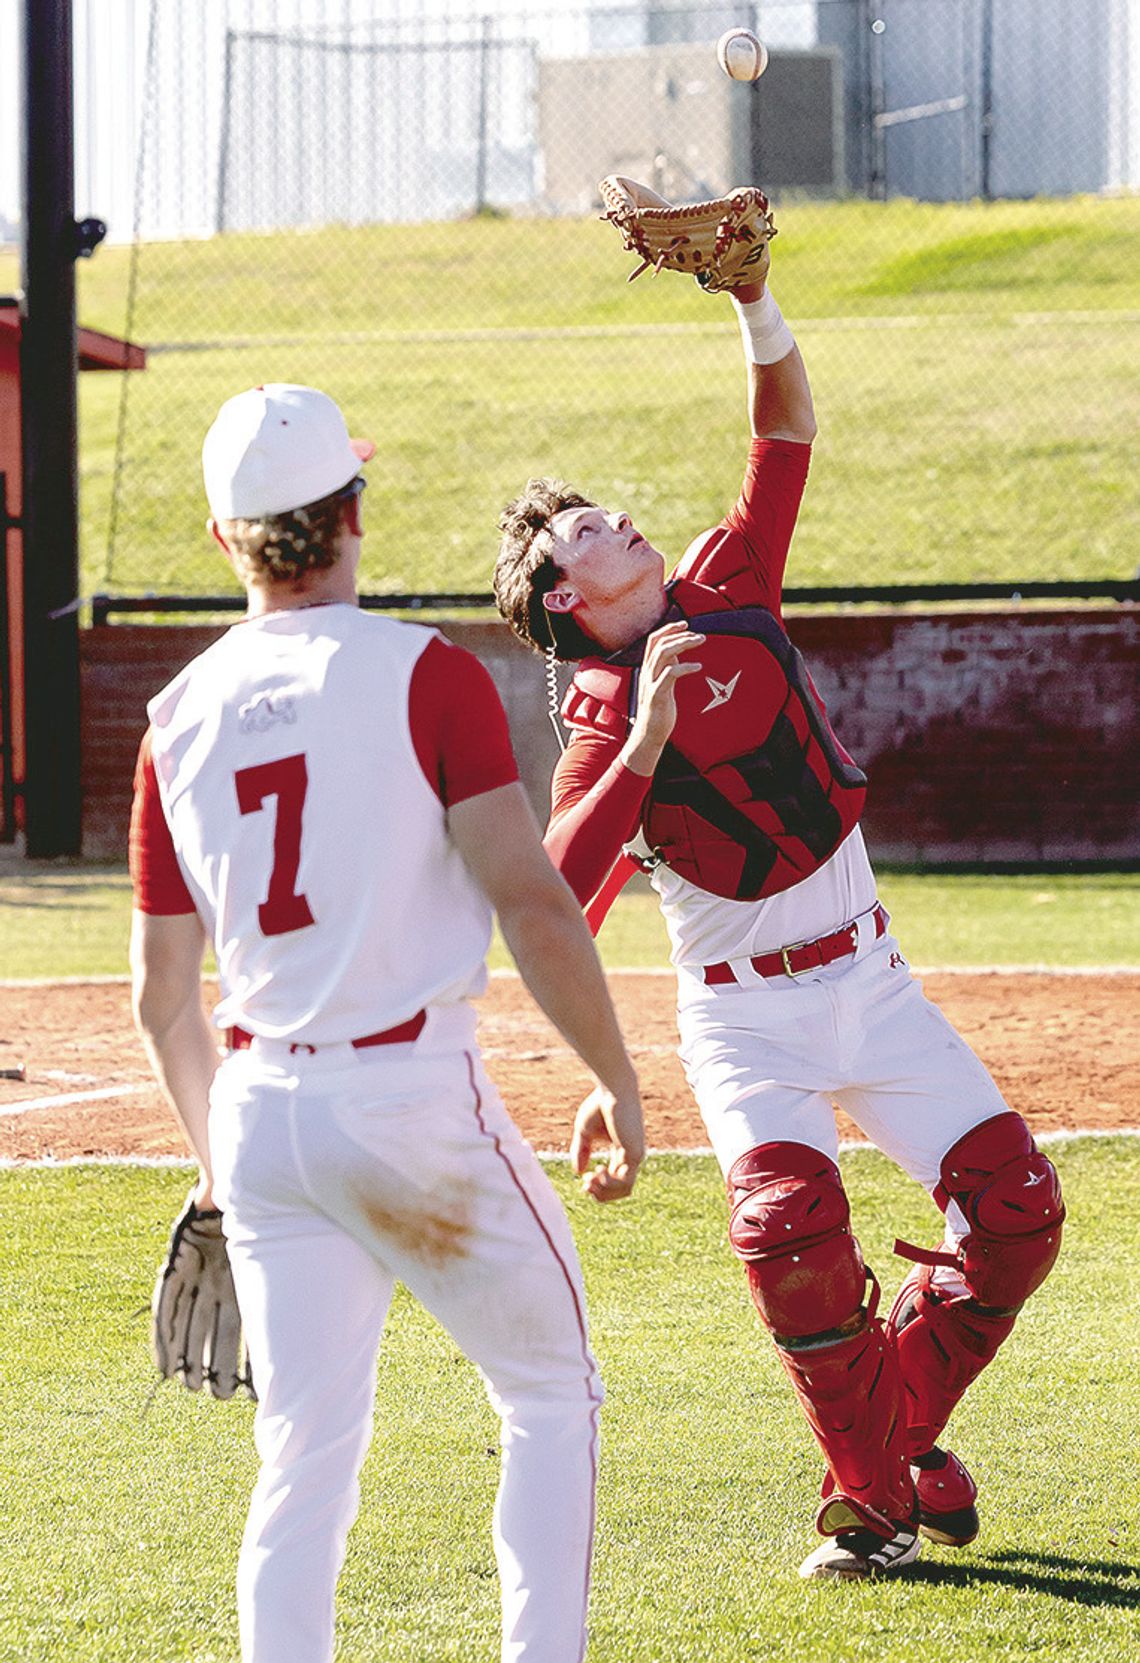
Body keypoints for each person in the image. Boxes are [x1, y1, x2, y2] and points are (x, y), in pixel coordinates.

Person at [492, 233, 1064, 1580]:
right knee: (790, 1239)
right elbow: (553, 897)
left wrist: (754, 297)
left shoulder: (729, 581)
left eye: (606, 511)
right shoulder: (598, 723)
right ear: (568, 598)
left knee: (1020, 1217)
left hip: (872, 977)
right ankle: (871, 1506)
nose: (619, 519)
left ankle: (894, 1437)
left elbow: (786, 431)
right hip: (745, 1021)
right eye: (587, 531)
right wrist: (646, 739)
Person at [129, 382, 645, 1663]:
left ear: (225, 539)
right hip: (409, 1099)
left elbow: (162, 998)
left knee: (302, 1454)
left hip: (261, 1117)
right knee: (550, 1391)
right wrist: (618, 1076)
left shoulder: (173, 720)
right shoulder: (428, 673)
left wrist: (216, 1171)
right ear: (353, 512)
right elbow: (532, 901)